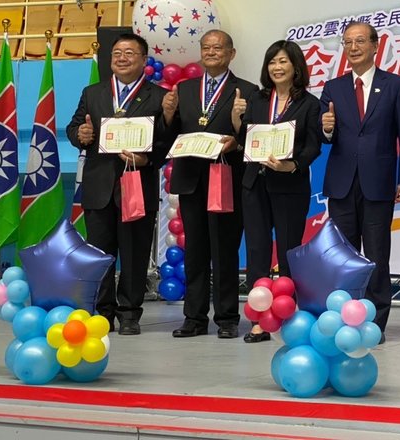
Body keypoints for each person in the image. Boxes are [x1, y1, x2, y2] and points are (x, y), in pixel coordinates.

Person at [66, 33, 172, 335]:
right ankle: (103, 312)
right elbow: (75, 127)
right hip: (99, 186)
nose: (122, 58)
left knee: (135, 253)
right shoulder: (93, 92)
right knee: (100, 255)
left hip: (136, 184)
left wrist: (147, 160)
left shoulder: (158, 96)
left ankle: (129, 314)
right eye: (117, 53)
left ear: (143, 59)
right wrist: (80, 135)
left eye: (129, 53)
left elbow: (167, 139)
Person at [319, 21, 400, 337]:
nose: (353, 47)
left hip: (379, 182)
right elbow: (324, 134)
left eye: (360, 41)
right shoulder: (333, 88)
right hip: (342, 183)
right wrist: (327, 127)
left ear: (375, 46)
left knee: (377, 255)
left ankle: (375, 321)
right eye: (348, 42)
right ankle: (343, 316)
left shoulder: (395, 85)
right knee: (343, 257)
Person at [166, 29, 257, 339]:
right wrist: (168, 115)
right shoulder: (185, 89)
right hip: (191, 179)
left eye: (218, 48)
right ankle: (193, 317)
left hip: (226, 178)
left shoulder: (246, 90)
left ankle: (227, 318)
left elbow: (253, 136)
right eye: (206, 47)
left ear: (231, 53)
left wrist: (237, 139)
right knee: (195, 251)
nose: (211, 52)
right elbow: (171, 133)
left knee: (225, 250)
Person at [233, 40, 321, 343]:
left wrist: (292, 165)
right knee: (256, 251)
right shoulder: (256, 99)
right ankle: (259, 320)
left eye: (283, 61)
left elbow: (313, 146)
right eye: (272, 62)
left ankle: (287, 315)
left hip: (289, 186)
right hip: (254, 184)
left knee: (288, 251)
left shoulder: (309, 103)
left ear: (296, 67)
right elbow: (244, 139)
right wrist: (236, 119)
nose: (277, 67)